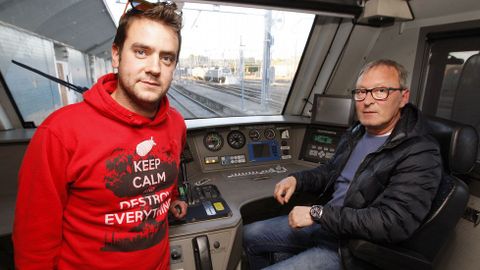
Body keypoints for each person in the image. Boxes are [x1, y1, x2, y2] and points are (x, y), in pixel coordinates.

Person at [13, 1, 187, 269]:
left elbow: (164, 173)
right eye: (141, 52)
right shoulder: (60, 133)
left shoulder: (175, 124)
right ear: (116, 55)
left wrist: (172, 198)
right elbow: (34, 246)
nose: (155, 68)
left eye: (167, 57)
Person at [243, 59, 443, 270]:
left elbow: (393, 222)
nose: (367, 101)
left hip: (351, 248)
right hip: (329, 225)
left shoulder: (420, 152)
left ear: (403, 97)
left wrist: (317, 214)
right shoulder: (358, 132)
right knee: (248, 235)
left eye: (381, 91)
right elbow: (332, 171)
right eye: (361, 92)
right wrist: (297, 179)